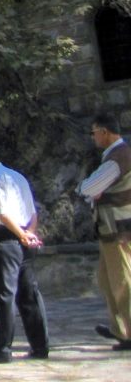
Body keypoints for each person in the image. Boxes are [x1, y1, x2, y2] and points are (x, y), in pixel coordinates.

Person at [0, 141, 50, 363]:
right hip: (24, 234)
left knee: (5, 294)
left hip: (5, 238)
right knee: (29, 293)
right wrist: (29, 234)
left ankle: (2, 348)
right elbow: (32, 211)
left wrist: (20, 235)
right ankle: (40, 345)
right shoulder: (18, 177)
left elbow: (3, 214)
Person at [77, 114, 131, 351]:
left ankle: (128, 331)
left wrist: (87, 188)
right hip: (113, 227)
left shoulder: (117, 158)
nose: (93, 137)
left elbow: (88, 187)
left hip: (117, 228)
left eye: (94, 132)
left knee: (121, 280)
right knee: (107, 279)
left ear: (105, 132)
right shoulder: (117, 156)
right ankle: (120, 328)